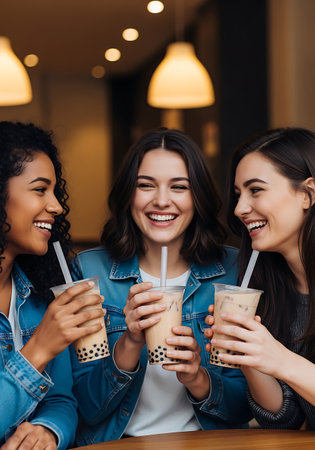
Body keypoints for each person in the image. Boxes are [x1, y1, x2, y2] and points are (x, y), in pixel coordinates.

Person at [70, 127, 252, 445]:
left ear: (198, 197)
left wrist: (198, 377)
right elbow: (86, 408)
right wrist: (129, 343)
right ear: (129, 194)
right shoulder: (89, 273)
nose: (162, 201)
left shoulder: (233, 273)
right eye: (145, 186)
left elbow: (243, 410)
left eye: (179, 187)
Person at [0, 121, 104, 449]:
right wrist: (39, 350)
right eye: (40, 189)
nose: (57, 206)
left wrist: (47, 432)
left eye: (55, 191)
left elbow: (61, 401)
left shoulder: (38, 297)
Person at [205, 127, 315, 429]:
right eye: (238, 194)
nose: (240, 209)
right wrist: (250, 355)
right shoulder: (276, 288)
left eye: (256, 190)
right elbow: (288, 420)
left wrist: (279, 359)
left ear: (307, 194)